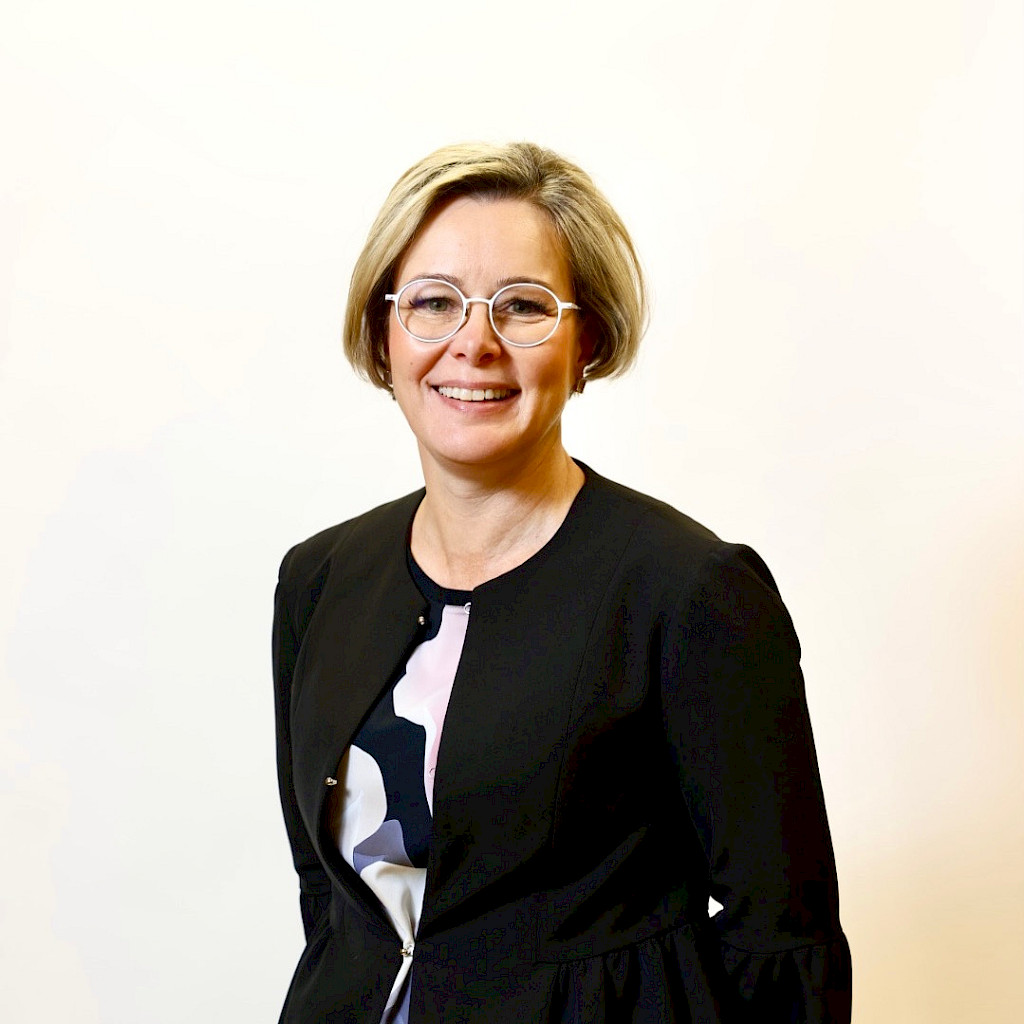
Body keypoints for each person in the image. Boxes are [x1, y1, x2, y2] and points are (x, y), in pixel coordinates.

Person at [272, 141, 852, 1023]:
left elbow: (783, 942)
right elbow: (330, 897)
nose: (474, 343)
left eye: (523, 306)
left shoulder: (691, 593)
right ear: (383, 334)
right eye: (433, 302)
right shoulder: (319, 579)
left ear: (589, 343)